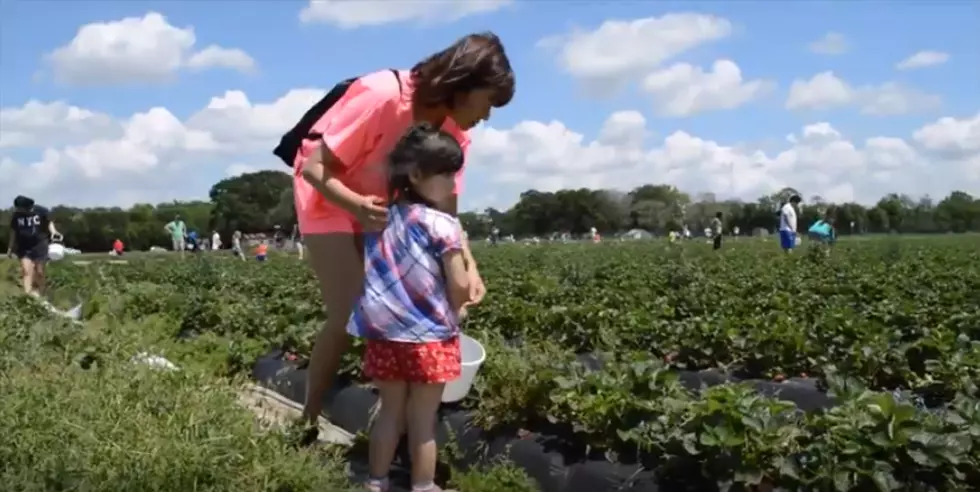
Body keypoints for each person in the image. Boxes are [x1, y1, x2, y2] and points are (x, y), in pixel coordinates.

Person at [292, 32, 513, 426]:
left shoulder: (455, 131)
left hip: (381, 204)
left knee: (408, 301)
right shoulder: (382, 95)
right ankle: (308, 418)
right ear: (463, 85)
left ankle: (391, 413)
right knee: (350, 309)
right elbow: (314, 168)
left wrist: (468, 264)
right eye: (488, 102)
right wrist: (355, 205)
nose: (488, 115)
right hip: (329, 196)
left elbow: (445, 208)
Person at [348, 123, 470, 492]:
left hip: (384, 335)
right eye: (446, 173)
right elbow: (461, 284)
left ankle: (376, 480)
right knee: (422, 420)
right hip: (429, 339)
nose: (452, 183)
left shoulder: (376, 222)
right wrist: (459, 307)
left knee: (389, 413)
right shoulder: (442, 225)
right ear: (417, 175)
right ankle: (422, 485)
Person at [6, 195, 61, 297]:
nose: (18, 210)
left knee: (39, 272)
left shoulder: (41, 211)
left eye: (20, 208)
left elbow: (49, 222)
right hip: (24, 247)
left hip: (40, 245)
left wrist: (53, 232)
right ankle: (28, 296)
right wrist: (10, 247)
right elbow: (13, 232)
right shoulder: (16, 216)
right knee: (26, 271)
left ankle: (42, 295)